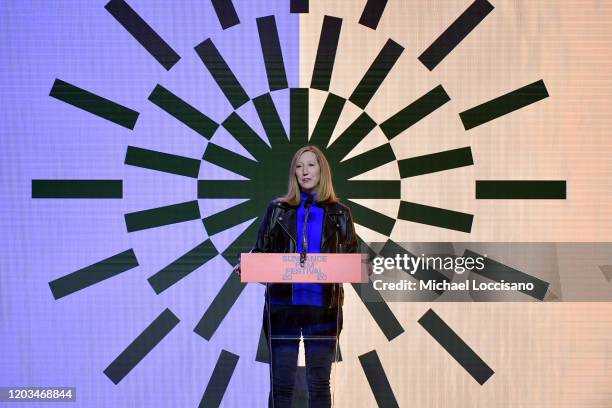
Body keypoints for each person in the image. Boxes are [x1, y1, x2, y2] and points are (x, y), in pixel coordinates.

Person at [235, 145, 358, 407]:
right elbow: (261, 253)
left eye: (311, 165)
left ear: (322, 170)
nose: (305, 171)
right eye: (299, 166)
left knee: (319, 385)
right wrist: (248, 266)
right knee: (281, 386)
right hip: (283, 310)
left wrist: (360, 267)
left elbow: (352, 259)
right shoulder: (277, 210)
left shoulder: (340, 214)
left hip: (324, 312)